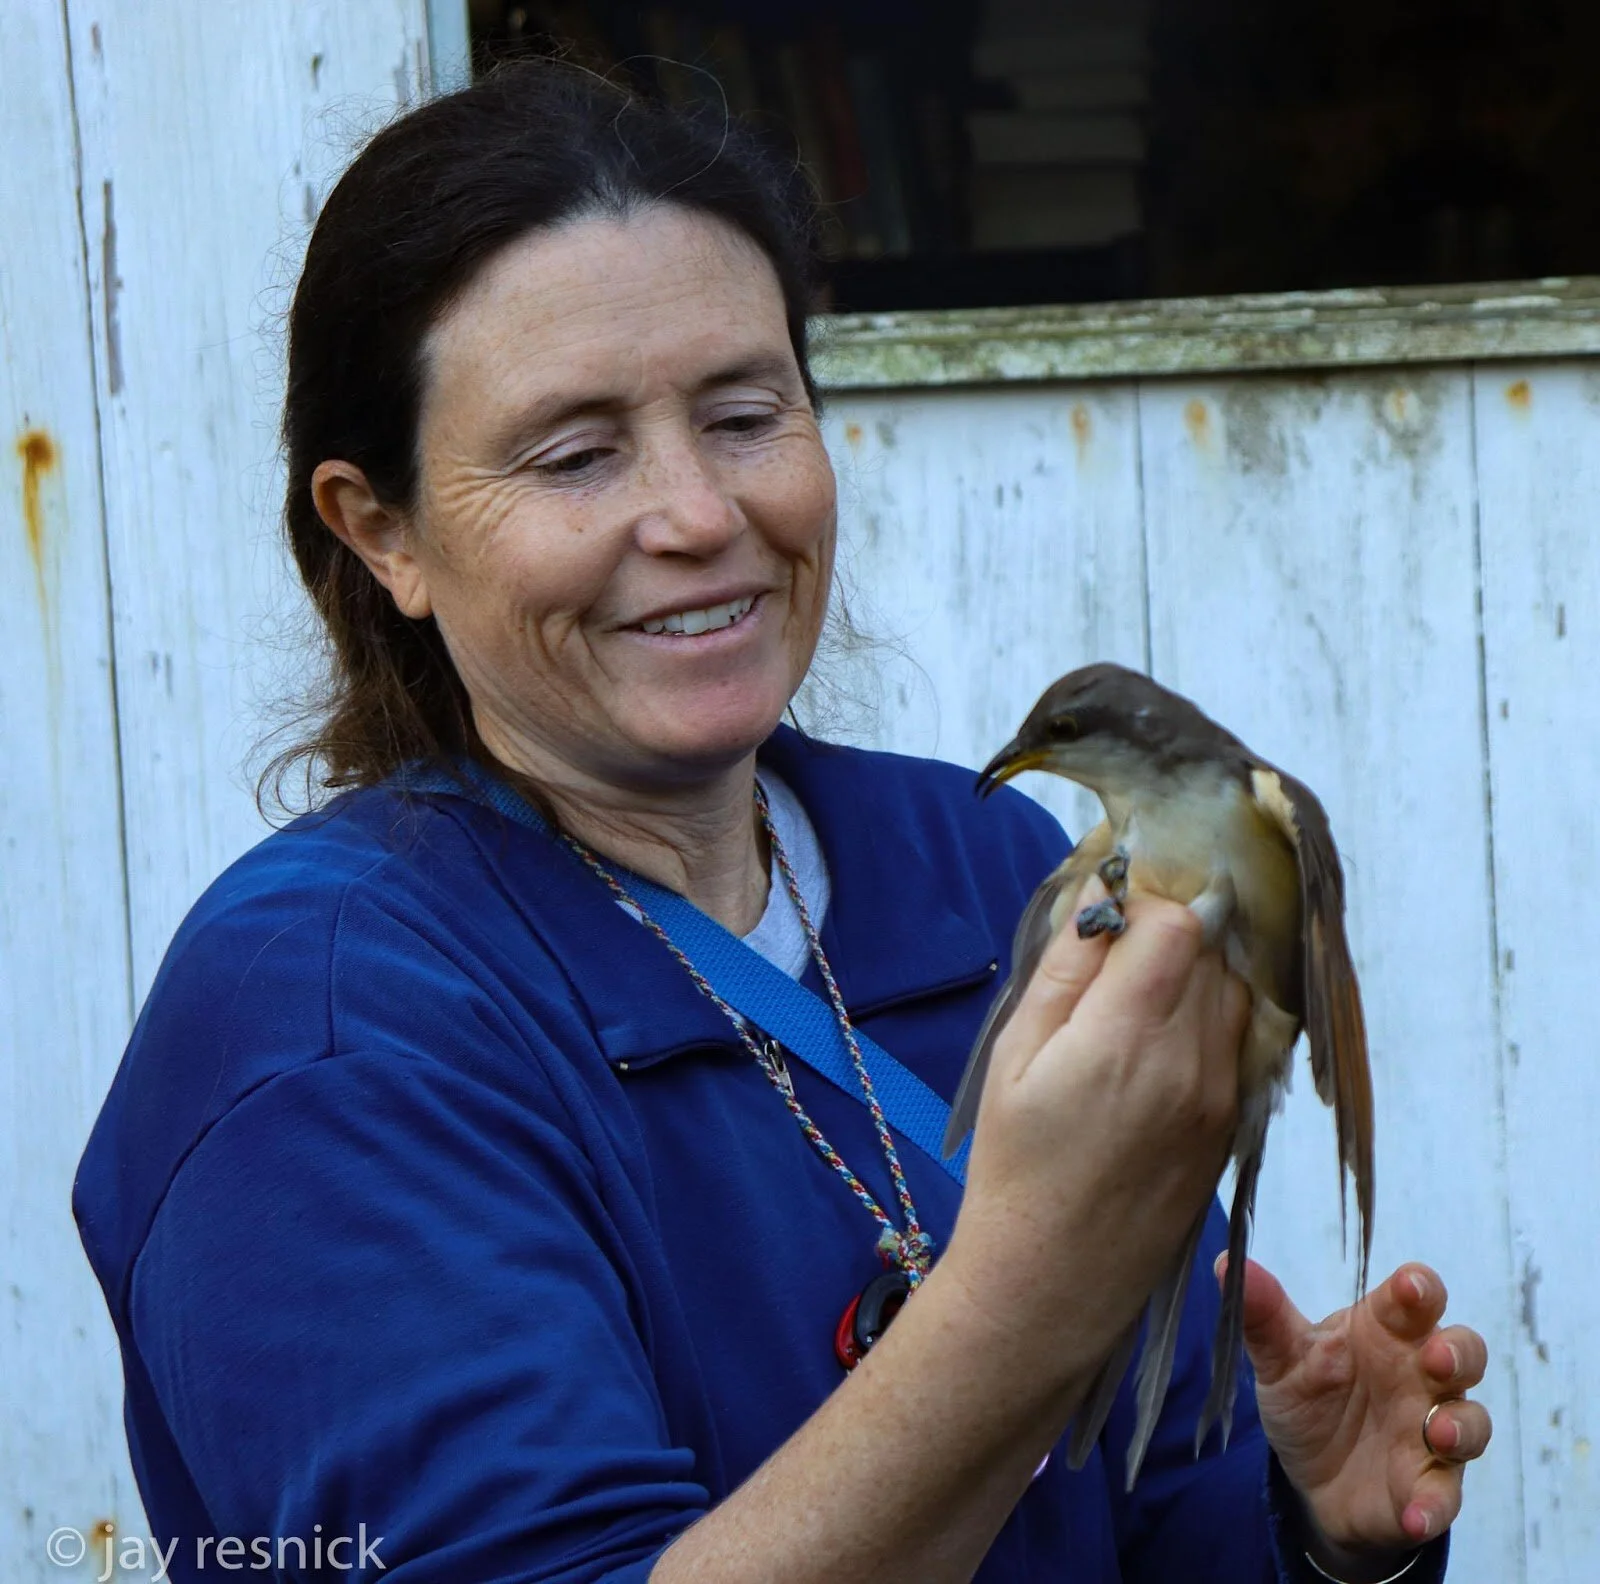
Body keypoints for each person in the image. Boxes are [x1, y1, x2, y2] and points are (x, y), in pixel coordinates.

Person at [74, 63, 1489, 1584]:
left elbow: (1154, 1495)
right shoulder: (324, 1029)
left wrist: (1307, 1525)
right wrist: (1021, 1298)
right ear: (383, 533)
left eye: (746, 416)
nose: (699, 514)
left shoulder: (986, 872)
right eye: (576, 454)